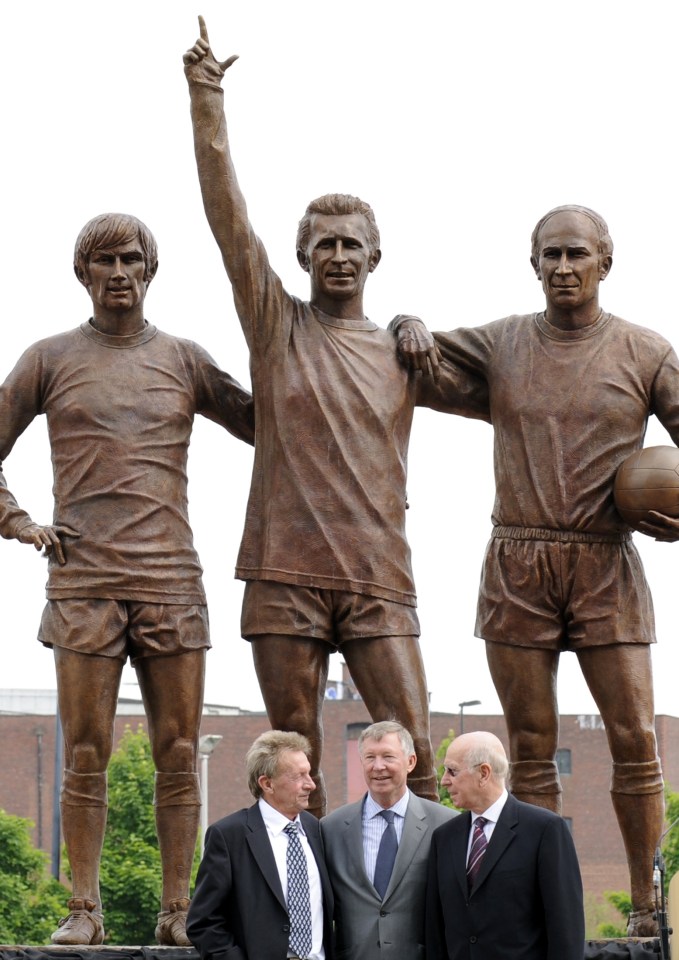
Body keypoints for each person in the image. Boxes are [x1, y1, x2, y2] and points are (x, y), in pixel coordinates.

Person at [182, 17, 488, 815]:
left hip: (378, 574)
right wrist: (207, 101)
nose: (339, 255)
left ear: (374, 257)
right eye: (324, 244)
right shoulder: (276, 326)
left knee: (414, 744)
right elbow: (226, 218)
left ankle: (432, 911)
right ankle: (304, 911)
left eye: (352, 244)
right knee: (292, 754)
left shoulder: (405, 350)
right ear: (302, 257)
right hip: (283, 570)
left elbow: (520, 398)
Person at [396, 204, 679, 935]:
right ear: (533, 265)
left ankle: (647, 906)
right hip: (517, 560)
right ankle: (534, 905)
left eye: (575, 254)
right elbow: (417, 361)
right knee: (528, 747)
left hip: (603, 563)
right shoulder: (503, 344)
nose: (561, 267)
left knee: (633, 739)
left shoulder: (645, 353)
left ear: (603, 264)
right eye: (548, 255)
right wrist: (404, 321)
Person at [0, 212, 254, 945]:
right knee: (86, 748)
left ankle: (181, 911)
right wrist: (20, 522)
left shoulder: (184, 358)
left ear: (150, 270)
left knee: (180, 751)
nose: (119, 272)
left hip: (172, 578)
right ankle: (84, 908)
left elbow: (269, 426)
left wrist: (304, 360)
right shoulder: (47, 358)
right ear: (84, 273)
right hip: (83, 582)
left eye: (132, 259)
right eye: (104, 261)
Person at [426, 731, 584, 960]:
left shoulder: (545, 830)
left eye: (452, 771)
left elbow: (566, 930)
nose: (444, 781)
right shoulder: (444, 838)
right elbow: (435, 931)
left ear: (483, 773)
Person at [187, 730, 334, 960]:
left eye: (310, 774)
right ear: (267, 783)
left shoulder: (316, 830)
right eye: (299, 776)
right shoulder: (229, 836)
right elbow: (202, 922)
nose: (311, 785)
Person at [321, 721, 455, 960]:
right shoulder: (330, 828)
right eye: (370, 757)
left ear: (411, 762)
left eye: (388, 756)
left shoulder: (445, 825)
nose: (378, 766)